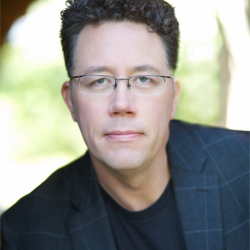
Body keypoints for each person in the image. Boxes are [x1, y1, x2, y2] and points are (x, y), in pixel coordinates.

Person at [1, 0, 249, 249]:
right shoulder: (25, 231)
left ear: (173, 97)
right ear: (71, 101)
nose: (121, 103)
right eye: (98, 81)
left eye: (143, 79)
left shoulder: (244, 168)